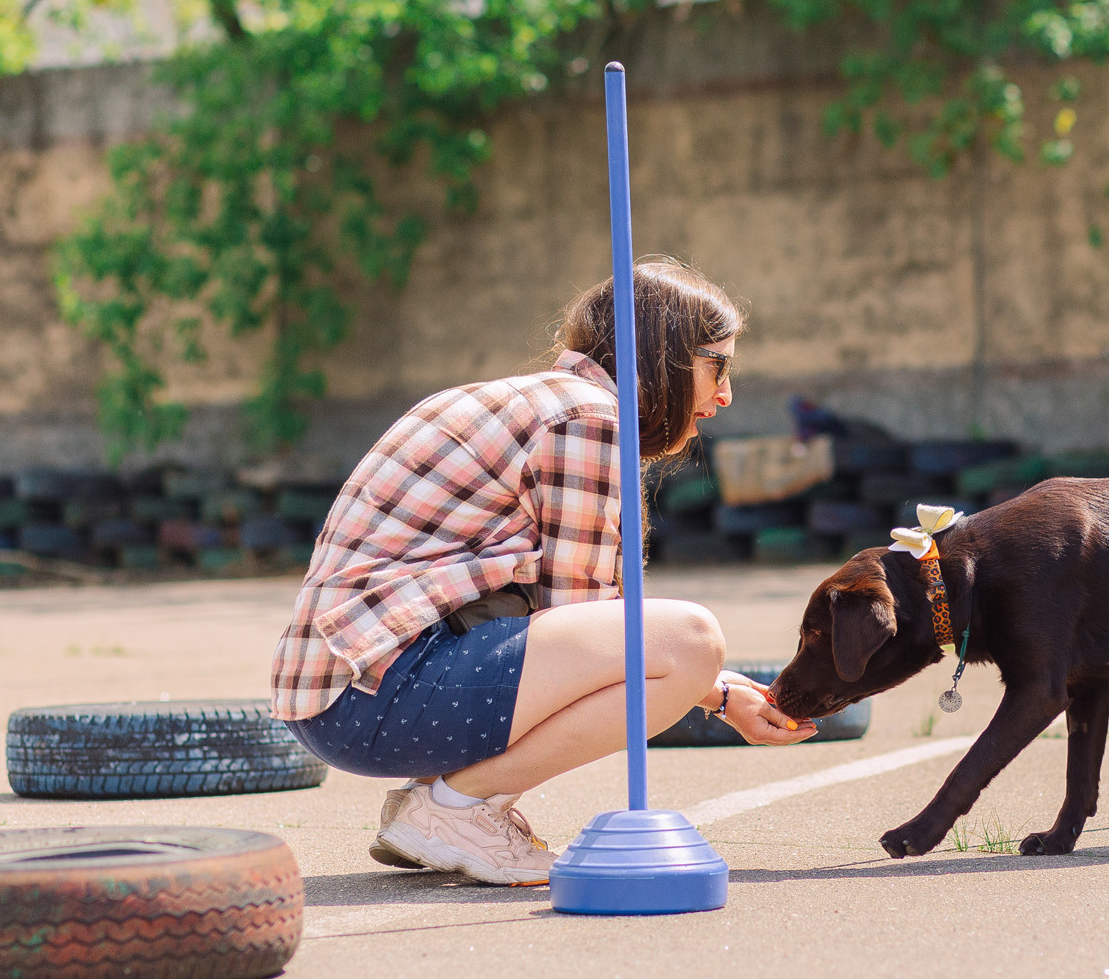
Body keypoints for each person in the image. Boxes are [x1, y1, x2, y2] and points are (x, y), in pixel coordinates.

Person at [270, 259, 814, 885]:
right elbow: (588, 622)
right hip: (376, 697)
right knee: (689, 638)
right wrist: (706, 684)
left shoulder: (525, 399)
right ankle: (455, 810)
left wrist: (714, 690)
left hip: (342, 695)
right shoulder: (587, 418)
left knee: (667, 644)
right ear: (663, 353)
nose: (725, 395)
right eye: (718, 366)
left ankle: (443, 803)